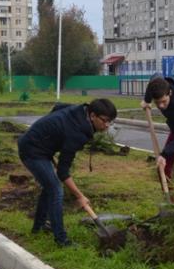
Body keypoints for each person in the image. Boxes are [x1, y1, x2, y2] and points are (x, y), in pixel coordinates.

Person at [17, 99, 117, 246]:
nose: (107, 126)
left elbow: (57, 107)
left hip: (41, 147)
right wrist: (80, 196)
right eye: (105, 121)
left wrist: (51, 137)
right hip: (31, 150)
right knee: (56, 190)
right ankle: (61, 240)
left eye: (111, 122)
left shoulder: (80, 109)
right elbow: (63, 172)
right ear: (93, 115)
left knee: (49, 186)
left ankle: (38, 227)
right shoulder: (77, 134)